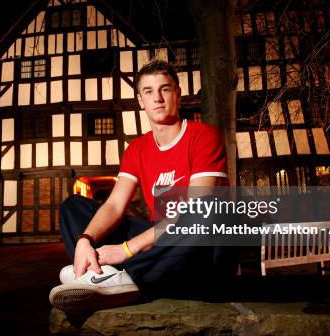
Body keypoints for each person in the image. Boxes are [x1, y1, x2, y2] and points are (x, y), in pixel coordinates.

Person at [49, 59, 232, 314]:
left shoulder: (204, 136)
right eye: (148, 91)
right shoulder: (137, 149)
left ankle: (114, 277)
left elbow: (197, 209)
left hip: (193, 251)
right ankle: (103, 273)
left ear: (177, 94)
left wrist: (125, 250)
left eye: (165, 89)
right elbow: (114, 205)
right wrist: (84, 240)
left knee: (208, 208)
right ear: (140, 100)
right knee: (73, 206)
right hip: (157, 248)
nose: (157, 98)